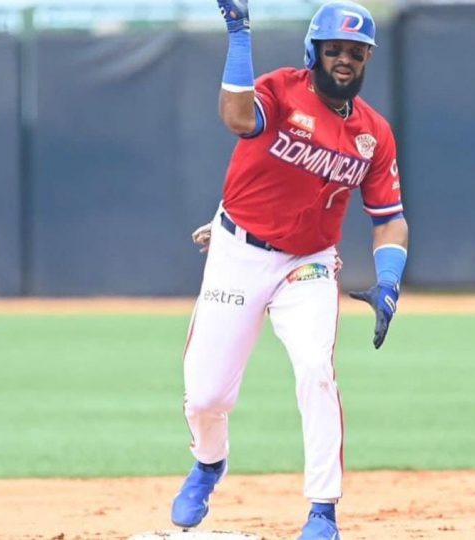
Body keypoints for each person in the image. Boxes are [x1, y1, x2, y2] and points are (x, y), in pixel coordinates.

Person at [171, 1, 408, 538]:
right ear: (314, 52)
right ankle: (209, 463)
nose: (344, 60)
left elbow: (390, 219)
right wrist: (239, 32)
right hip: (240, 252)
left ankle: (322, 510)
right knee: (206, 395)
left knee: (316, 371)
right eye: (334, 50)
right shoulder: (280, 90)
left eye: (355, 52)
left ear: (367, 59)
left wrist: (389, 279)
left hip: (309, 264)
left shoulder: (373, 134)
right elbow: (236, 117)